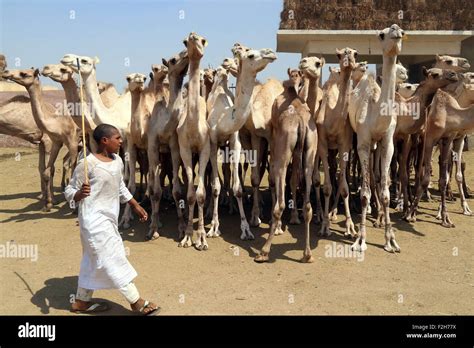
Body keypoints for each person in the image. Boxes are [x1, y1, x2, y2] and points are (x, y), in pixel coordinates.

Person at [64, 123, 160, 315]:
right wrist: (79, 195)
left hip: (109, 220)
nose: (121, 141)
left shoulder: (117, 161)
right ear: (104, 141)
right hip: (92, 222)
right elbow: (69, 190)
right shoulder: (87, 163)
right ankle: (136, 301)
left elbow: (120, 187)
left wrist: (135, 205)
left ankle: (81, 302)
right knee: (112, 258)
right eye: (117, 138)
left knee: (92, 259)